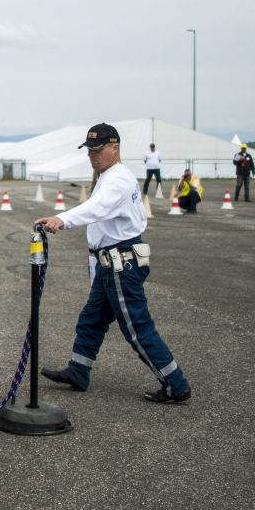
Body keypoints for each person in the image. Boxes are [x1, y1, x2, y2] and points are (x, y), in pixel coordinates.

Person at [36, 123, 191, 404]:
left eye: (97, 150)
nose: (91, 156)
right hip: (110, 263)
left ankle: (175, 383)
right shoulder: (110, 176)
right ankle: (78, 371)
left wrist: (63, 218)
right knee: (91, 320)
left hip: (121, 264)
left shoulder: (116, 180)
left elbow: (98, 208)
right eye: (89, 150)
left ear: (114, 148)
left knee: (136, 327)